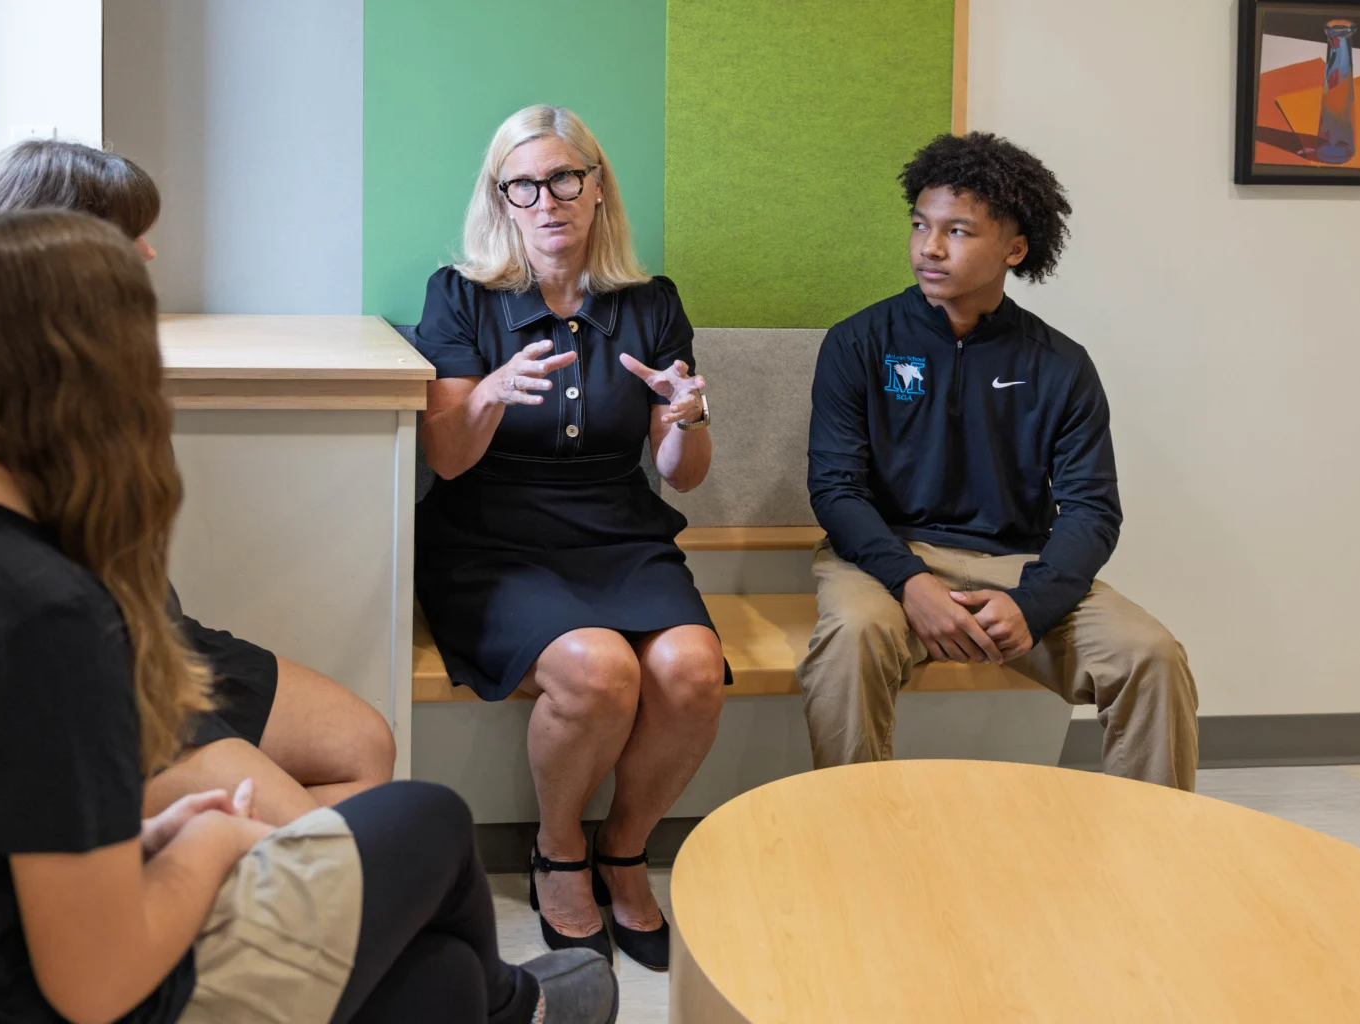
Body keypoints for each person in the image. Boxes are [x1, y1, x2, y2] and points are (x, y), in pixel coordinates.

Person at [0, 210, 617, 1024]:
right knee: (428, 820)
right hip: (34, 994)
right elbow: (93, 987)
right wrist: (203, 849)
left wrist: (138, 844)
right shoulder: (45, 615)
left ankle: (499, 1005)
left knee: (439, 982)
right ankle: (517, 1005)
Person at [0, 139, 395, 826]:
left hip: (154, 639)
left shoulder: (94, 363)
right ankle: (207, 857)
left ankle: (200, 866)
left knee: (364, 751)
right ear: (58, 243)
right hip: (92, 685)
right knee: (315, 841)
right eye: (131, 234)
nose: (149, 253)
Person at [413, 105, 725, 970]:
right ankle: (556, 850)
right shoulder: (461, 296)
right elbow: (445, 455)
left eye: (563, 179)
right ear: (501, 199)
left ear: (595, 188)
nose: (545, 200)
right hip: (490, 536)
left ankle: (623, 849)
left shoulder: (650, 303)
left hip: (618, 529)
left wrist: (688, 413)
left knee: (692, 671)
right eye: (522, 184)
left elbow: (683, 471)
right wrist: (488, 394)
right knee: (597, 669)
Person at [797, 132, 1199, 789]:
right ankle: (852, 849)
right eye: (920, 226)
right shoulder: (858, 343)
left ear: (1013, 248)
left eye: (956, 231)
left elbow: (1091, 511)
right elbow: (835, 489)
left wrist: (1032, 604)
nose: (928, 248)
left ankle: (1157, 858)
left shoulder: (1059, 364)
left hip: (1016, 565)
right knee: (851, 640)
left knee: (1149, 655)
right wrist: (911, 583)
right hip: (886, 558)